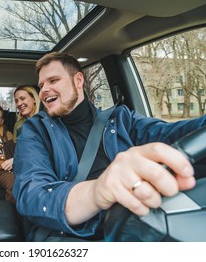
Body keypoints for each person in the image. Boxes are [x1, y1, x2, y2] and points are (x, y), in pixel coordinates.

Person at [12, 51, 206, 241]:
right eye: (41, 85)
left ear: (78, 81)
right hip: (72, 236)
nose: (44, 89)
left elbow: (172, 134)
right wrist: (97, 190)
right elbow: (33, 194)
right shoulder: (35, 129)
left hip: (136, 223)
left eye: (53, 81)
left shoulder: (120, 118)